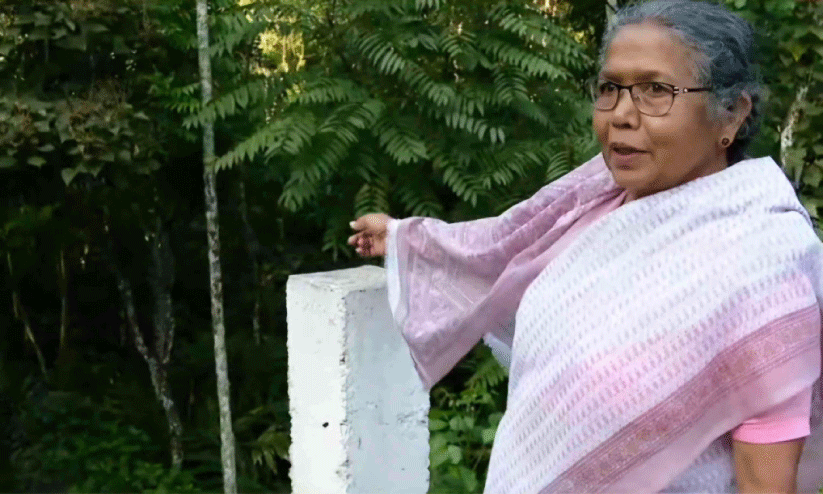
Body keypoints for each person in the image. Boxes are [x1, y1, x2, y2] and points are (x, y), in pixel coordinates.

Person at [348, 0, 823, 492]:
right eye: (609, 88)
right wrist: (404, 237)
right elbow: (501, 245)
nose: (621, 115)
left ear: (731, 115)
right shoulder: (593, 201)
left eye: (656, 90)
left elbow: (765, 479)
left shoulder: (761, 262)